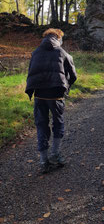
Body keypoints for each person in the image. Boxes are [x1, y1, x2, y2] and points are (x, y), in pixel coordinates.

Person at [25, 28, 77, 174]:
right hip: (56, 94)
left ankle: (43, 161)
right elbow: (73, 75)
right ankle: (55, 154)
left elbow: (31, 72)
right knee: (58, 122)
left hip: (39, 94)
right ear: (58, 38)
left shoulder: (35, 52)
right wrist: (67, 86)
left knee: (41, 124)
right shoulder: (62, 52)